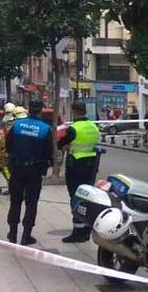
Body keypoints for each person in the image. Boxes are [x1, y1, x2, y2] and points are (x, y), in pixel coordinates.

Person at [5, 100, 53, 245]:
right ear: (41, 110)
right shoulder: (45, 129)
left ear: (28, 110)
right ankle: (26, 235)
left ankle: (12, 233)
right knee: (31, 203)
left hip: (17, 168)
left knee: (15, 201)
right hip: (35, 170)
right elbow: (48, 152)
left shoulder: (17, 125)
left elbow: (8, 146)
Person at [57, 102, 100, 243]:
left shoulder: (74, 129)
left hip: (75, 166)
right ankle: (87, 229)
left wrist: (64, 145)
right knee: (88, 197)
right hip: (91, 166)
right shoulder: (94, 126)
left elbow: (60, 143)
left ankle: (77, 232)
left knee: (76, 198)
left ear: (74, 111)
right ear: (85, 111)